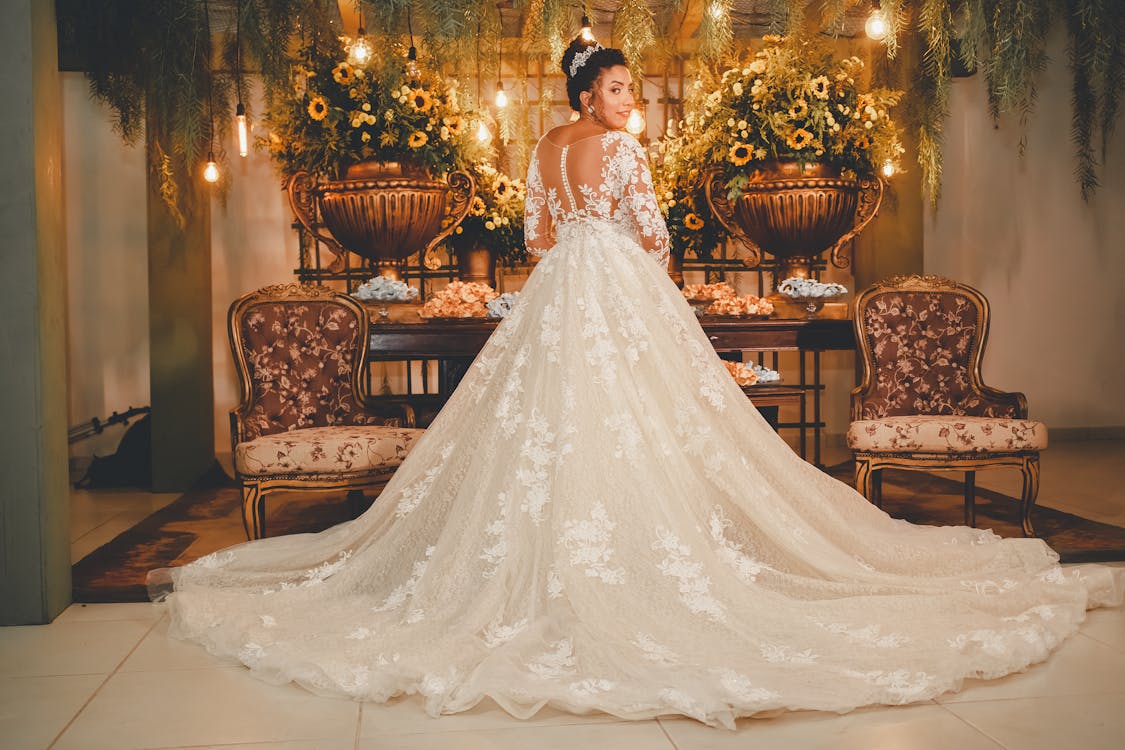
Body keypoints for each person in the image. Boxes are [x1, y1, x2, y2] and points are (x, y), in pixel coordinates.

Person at [150, 39, 1123, 729]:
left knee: (549, 432)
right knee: (649, 424)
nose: (629, 102)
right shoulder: (623, 152)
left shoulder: (541, 149)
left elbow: (535, 241)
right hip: (615, 282)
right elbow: (655, 243)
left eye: (627, 92)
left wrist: (582, 250)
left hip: (557, 291)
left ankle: (547, 573)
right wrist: (658, 302)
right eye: (619, 88)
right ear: (594, 94)